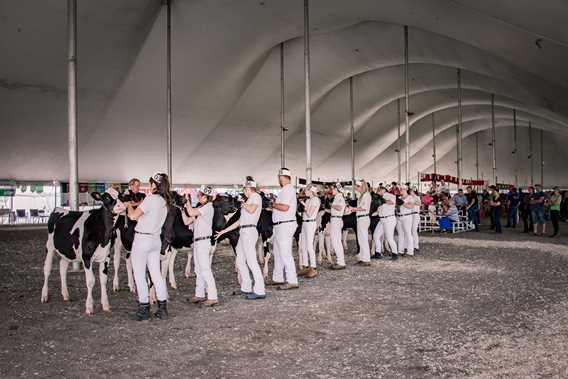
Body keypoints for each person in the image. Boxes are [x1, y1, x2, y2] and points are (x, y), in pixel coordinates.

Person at [123, 172, 170, 321]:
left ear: (155, 185)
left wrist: (128, 206)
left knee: (139, 274)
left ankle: (144, 308)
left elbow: (133, 216)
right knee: (156, 274)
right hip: (156, 240)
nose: (149, 186)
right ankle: (162, 309)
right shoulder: (165, 202)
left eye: (151, 183)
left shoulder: (150, 199)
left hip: (142, 239)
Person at [215, 177, 266, 300]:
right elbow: (239, 221)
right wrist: (224, 231)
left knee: (251, 261)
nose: (244, 191)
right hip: (243, 230)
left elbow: (252, 209)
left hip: (249, 231)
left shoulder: (256, 197)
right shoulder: (249, 199)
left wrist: (243, 204)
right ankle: (246, 287)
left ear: (249, 188)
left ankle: (260, 290)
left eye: (244, 189)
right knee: (240, 260)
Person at [183, 185, 218, 306]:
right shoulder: (201, 208)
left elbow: (191, 212)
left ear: (205, 197)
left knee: (205, 269)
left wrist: (187, 203)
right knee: (198, 269)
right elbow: (187, 221)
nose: (197, 197)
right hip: (197, 242)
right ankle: (200, 294)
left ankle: (213, 296)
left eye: (199, 195)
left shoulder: (208, 207)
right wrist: (182, 208)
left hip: (203, 242)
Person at [269, 168, 299, 290]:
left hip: (285, 225)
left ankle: (292, 280)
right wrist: (272, 208)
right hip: (280, 224)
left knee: (285, 253)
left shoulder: (288, 189)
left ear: (282, 177)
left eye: (279, 177)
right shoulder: (284, 190)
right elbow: (282, 207)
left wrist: (272, 204)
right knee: (278, 252)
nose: (279, 179)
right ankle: (278, 277)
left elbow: (285, 207)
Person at [297, 184, 321, 278]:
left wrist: (303, 204)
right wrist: (304, 203)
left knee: (309, 245)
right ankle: (306, 266)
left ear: (311, 191)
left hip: (310, 223)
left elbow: (310, 214)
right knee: (303, 245)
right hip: (305, 222)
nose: (305, 191)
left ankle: (313, 268)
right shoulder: (309, 200)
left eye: (306, 190)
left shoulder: (315, 200)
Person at [348, 180, 372, 266]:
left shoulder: (366, 195)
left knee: (364, 239)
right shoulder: (361, 196)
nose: (356, 188)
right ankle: (362, 258)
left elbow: (364, 208)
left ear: (362, 187)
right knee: (361, 239)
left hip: (364, 218)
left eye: (357, 186)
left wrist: (353, 209)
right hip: (360, 218)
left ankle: (366, 259)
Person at [372, 187, 398, 260]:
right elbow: (379, 211)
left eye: (378, 191)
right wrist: (371, 214)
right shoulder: (379, 199)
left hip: (389, 219)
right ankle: (378, 253)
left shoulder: (390, 195)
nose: (377, 193)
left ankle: (395, 253)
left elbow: (391, 202)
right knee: (376, 236)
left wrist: (382, 199)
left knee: (389, 237)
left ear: (383, 190)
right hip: (382, 220)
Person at [329, 183, 347, 270]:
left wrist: (331, 205)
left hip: (336, 220)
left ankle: (341, 262)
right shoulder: (337, 197)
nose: (331, 190)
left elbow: (339, 208)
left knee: (336, 241)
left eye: (332, 189)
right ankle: (340, 261)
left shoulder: (339, 197)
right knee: (336, 241)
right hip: (335, 219)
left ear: (337, 189)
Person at [397, 186, 415, 256]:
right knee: (400, 234)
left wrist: (402, 203)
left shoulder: (410, 197)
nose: (400, 190)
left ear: (405, 190)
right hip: (399, 217)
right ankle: (400, 250)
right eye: (400, 189)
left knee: (408, 234)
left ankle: (410, 251)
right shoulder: (399, 198)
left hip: (407, 217)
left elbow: (411, 206)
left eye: (401, 189)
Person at [410, 187, 421, 254]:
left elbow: (419, 204)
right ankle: (411, 245)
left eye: (411, 191)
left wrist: (412, 204)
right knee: (410, 231)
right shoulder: (410, 197)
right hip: (410, 215)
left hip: (415, 214)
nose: (410, 192)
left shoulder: (417, 197)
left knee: (414, 230)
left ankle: (416, 246)